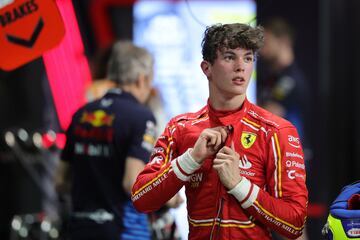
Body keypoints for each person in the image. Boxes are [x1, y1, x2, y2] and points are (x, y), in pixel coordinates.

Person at [132, 23, 308, 240]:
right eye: (229, 57)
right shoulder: (180, 128)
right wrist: (191, 159)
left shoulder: (277, 130)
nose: (240, 66)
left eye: (248, 58)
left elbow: (295, 223)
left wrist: (239, 185)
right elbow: (141, 199)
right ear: (206, 68)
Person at [55, 41, 157, 240]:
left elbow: (61, 182)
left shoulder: (81, 114)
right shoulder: (141, 117)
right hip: (121, 231)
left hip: (79, 229)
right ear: (142, 79)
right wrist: (167, 195)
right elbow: (132, 184)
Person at [257, 17, 311, 157]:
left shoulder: (291, 79)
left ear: (283, 41)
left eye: (266, 43)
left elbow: (269, 114)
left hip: (290, 157)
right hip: (273, 153)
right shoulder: (270, 77)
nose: (262, 50)